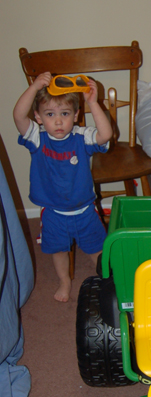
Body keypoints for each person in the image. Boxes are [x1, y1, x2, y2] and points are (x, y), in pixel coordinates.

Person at [14, 72, 112, 302]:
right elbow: (18, 115)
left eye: (65, 114)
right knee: (58, 250)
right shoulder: (37, 138)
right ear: (38, 117)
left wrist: (92, 102)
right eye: (50, 114)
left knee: (97, 248)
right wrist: (35, 86)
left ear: (76, 116)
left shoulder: (82, 137)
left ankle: (106, 276)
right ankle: (64, 280)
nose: (58, 121)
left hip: (85, 210)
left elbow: (106, 134)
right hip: (54, 212)